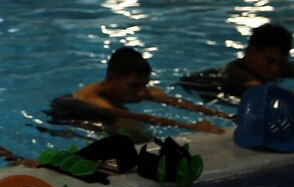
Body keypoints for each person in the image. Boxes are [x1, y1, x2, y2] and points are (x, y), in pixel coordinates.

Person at [51, 48, 230, 140]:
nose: (142, 93)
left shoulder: (134, 88)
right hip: (69, 113)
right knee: (132, 129)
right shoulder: (91, 99)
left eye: (145, 85)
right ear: (112, 78)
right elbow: (141, 117)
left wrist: (225, 115)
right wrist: (191, 128)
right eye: (134, 86)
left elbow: (175, 102)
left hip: (113, 108)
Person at [222, 23, 294, 96]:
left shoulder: (281, 66)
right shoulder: (234, 72)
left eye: (281, 63)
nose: (275, 69)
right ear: (251, 51)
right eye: (269, 62)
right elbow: (270, 94)